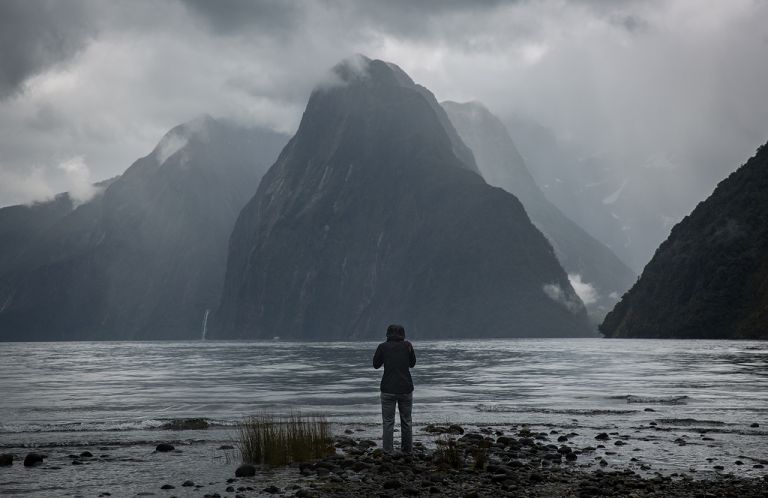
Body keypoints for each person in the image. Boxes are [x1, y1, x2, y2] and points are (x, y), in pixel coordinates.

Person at [372, 324, 416, 454]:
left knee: (388, 422)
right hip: (406, 388)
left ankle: (388, 451)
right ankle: (407, 450)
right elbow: (412, 364)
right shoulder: (408, 345)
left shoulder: (383, 347)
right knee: (406, 421)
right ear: (403, 334)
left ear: (388, 334)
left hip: (388, 389)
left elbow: (376, 365)